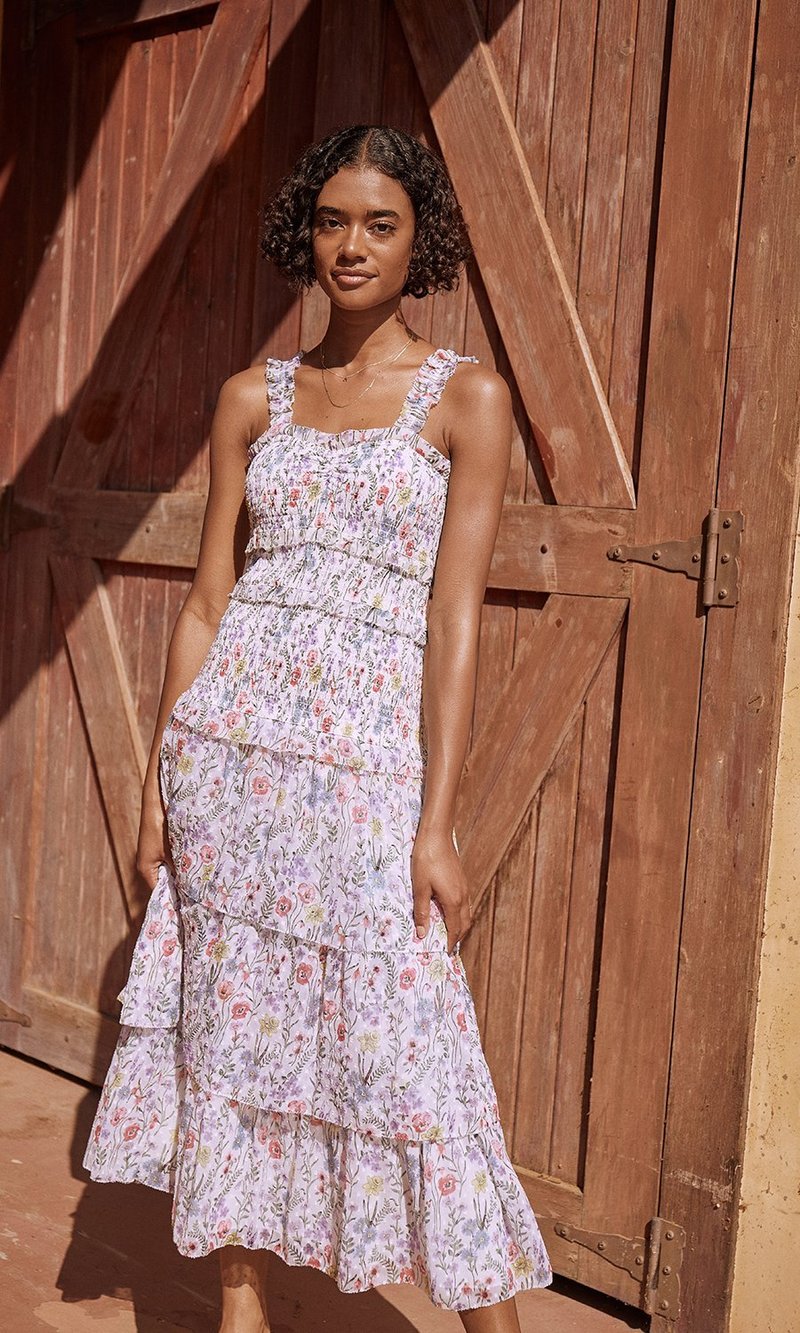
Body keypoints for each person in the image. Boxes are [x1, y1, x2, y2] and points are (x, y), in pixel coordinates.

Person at [83, 124, 553, 1332]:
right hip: (230, 763)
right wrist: (156, 790)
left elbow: (453, 619)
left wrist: (435, 823)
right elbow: (206, 603)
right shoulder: (254, 398)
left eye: (379, 224)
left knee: (408, 1046)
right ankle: (241, 1309)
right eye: (332, 220)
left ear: (417, 241)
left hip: (364, 771)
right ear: (307, 230)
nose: (351, 245)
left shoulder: (466, 399)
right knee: (228, 1028)